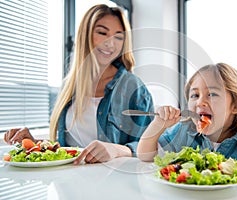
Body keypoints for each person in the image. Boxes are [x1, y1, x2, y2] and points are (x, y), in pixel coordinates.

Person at [4, 4, 154, 164]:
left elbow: (151, 148)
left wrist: (116, 149)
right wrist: (34, 145)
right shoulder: (69, 87)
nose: (111, 44)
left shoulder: (134, 88)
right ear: (85, 35)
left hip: (112, 184)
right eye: (102, 33)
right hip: (69, 185)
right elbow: (67, 149)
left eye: (118, 37)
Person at [137, 63, 237, 168]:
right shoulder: (184, 131)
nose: (200, 102)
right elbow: (145, 155)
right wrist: (158, 125)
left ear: (236, 105)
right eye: (195, 95)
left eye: (212, 94)